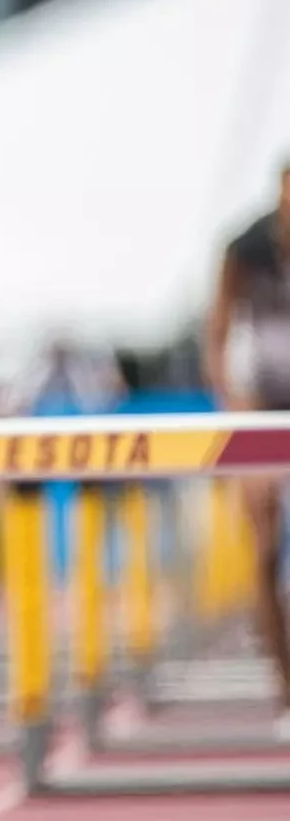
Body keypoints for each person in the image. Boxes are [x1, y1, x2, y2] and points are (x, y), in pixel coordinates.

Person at [204, 164, 290, 739]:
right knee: (261, 546)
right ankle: (286, 687)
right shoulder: (245, 246)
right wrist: (234, 411)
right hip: (260, 397)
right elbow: (215, 334)